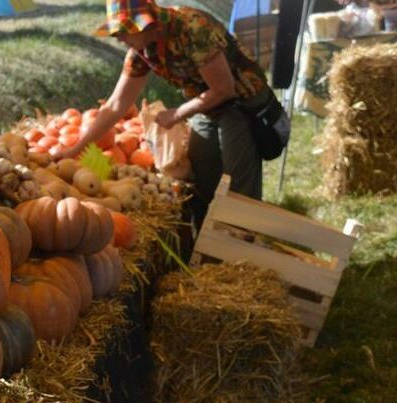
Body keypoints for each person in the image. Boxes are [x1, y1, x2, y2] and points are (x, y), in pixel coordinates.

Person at [59, 0, 289, 230]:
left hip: (241, 102)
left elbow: (224, 89)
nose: (118, 38)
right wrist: (74, 150)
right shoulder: (142, 51)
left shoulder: (194, 29)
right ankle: (207, 240)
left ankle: (243, 246)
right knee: (201, 168)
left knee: (236, 179)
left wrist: (176, 114)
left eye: (122, 31)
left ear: (145, 26)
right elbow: (115, 105)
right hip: (207, 104)